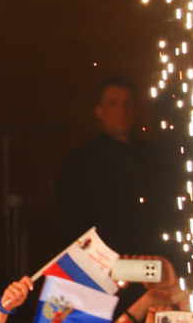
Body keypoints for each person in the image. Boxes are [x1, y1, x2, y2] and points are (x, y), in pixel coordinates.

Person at [57, 74, 178, 260]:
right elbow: (74, 223)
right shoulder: (82, 161)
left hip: (152, 259)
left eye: (128, 103)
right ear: (99, 111)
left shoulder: (155, 156)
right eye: (113, 103)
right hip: (104, 265)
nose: (122, 111)